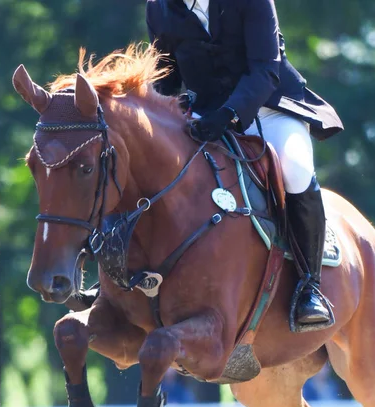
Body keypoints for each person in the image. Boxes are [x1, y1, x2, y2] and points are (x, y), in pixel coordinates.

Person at [146, 0, 344, 330]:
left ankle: (309, 287)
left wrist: (228, 115)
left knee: (295, 172)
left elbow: (265, 69)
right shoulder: (159, 8)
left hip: (270, 108)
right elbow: (166, 80)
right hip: (205, 116)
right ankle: (126, 277)